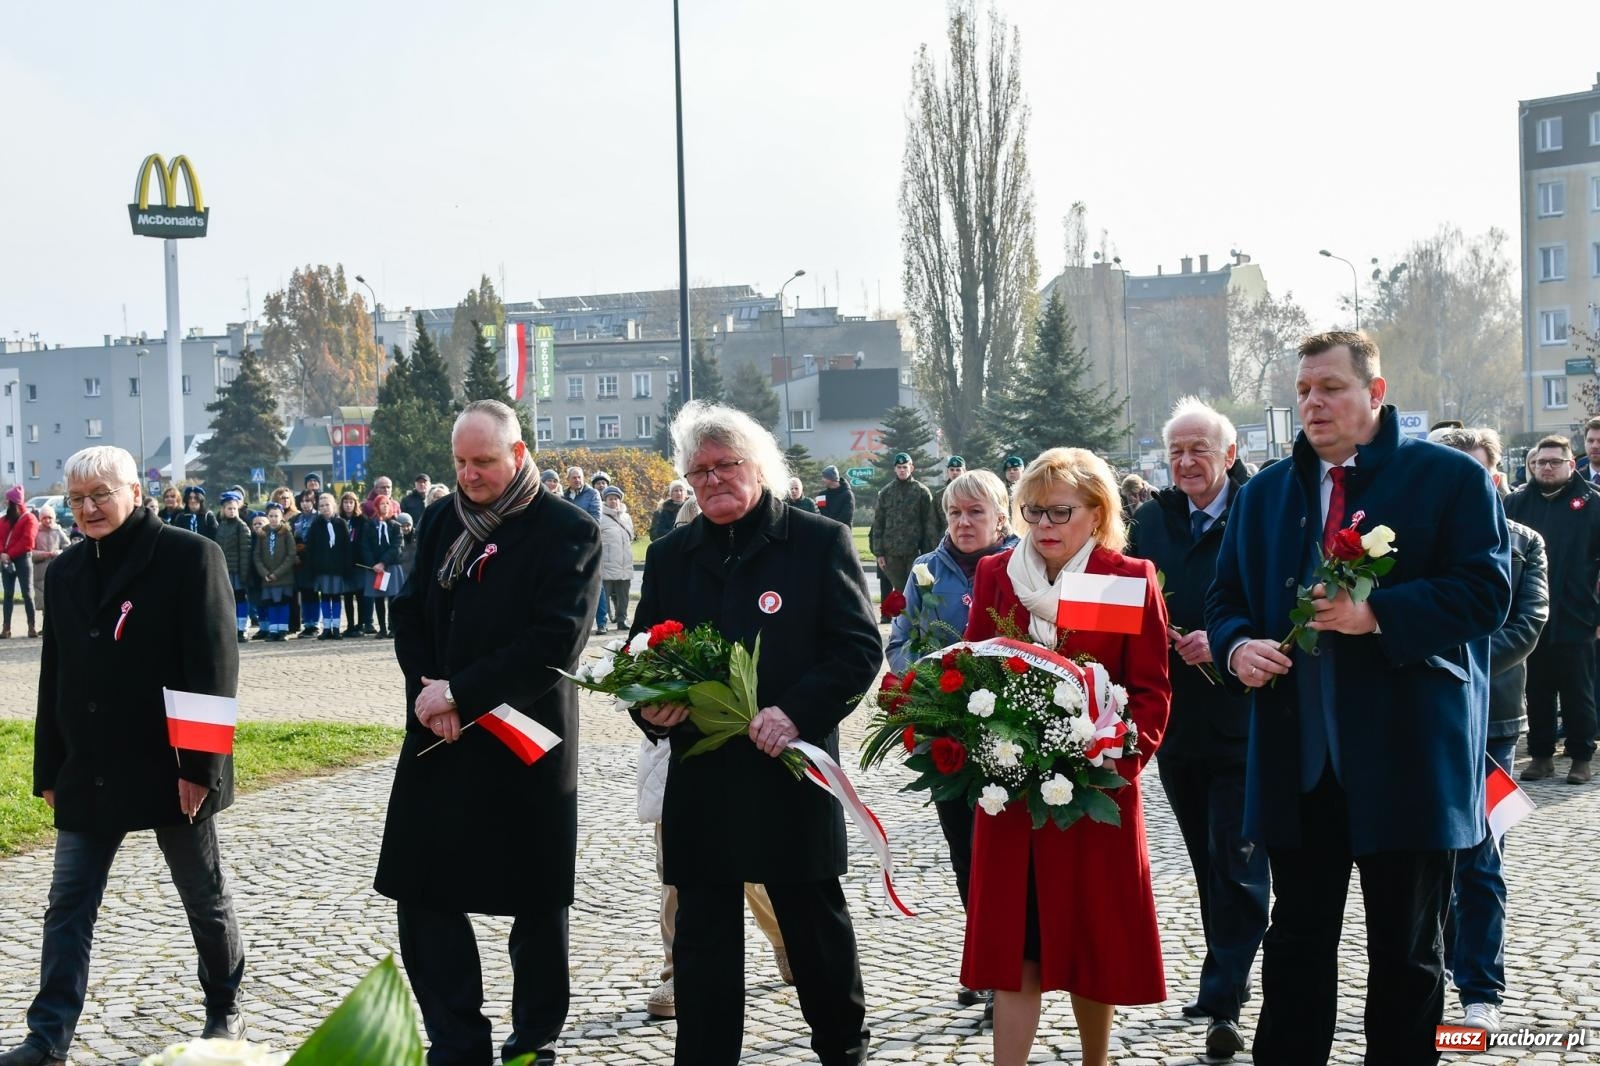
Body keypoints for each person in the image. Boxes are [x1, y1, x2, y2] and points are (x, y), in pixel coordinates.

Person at [1205, 331, 1511, 1065]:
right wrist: (1238, 647)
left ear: (1375, 393)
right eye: (1304, 390)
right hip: (1299, 763)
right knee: (1296, 946)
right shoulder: (1265, 494)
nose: (1313, 403)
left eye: (1331, 388)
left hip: (1408, 760)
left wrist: (1378, 614)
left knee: (1406, 954)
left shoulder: (1447, 480)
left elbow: (1487, 592)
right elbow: (1225, 600)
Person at [632, 401, 881, 1066]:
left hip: (790, 770)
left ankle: (843, 1052)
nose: (712, 479)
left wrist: (795, 711)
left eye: (726, 464)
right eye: (698, 471)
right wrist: (650, 709)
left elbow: (858, 650)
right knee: (704, 941)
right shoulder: (671, 555)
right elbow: (641, 655)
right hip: (704, 778)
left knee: (814, 931)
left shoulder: (817, 541)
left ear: (759, 466)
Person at [0, 446, 243, 1066]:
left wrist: (200, 769)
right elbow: (55, 676)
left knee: (203, 894)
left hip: (172, 763)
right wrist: (50, 767)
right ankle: (47, 1036)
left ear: (135, 492)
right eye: (77, 499)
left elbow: (213, 666)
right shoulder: (66, 571)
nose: (88, 509)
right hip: (90, 765)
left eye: (101, 495)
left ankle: (224, 1008)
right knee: (68, 903)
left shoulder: (191, 557)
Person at [376, 400, 600, 1066]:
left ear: (519, 454)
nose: (469, 475)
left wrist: (462, 693)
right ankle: (457, 1040)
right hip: (438, 731)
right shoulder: (442, 517)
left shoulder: (569, 530)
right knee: (422, 887)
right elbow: (409, 612)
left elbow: (555, 641)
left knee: (535, 897)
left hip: (524, 736)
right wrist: (431, 693)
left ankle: (534, 1040)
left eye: (483, 461)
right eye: (460, 462)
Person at [959, 448, 1171, 1066]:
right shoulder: (998, 574)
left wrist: (1110, 764)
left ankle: (1095, 1061)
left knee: (1090, 943)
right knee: (1014, 947)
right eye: (1032, 511)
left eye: (1060, 511)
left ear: (1097, 512)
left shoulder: (1124, 577)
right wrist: (984, 747)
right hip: (1011, 798)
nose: (1044, 525)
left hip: (1092, 796)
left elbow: (1150, 692)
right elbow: (971, 670)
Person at [1126, 398, 1264, 1060]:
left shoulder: (1259, 510)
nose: (1185, 462)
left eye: (1199, 450)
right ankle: (1228, 971)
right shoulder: (1150, 521)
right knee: (1208, 863)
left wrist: (1229, 641)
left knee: (1238, 862)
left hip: (1247, 719)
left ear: (1229, 455)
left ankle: (1223, 999)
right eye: (1176, 451)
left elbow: (1287, 597)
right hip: (1175, 722)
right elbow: (1126, 598)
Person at [639, 491, 793, 1021]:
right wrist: (651, 703)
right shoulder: (669, 568)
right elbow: (642, 654)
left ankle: (786, 940)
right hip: (678, 755)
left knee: (756, 872)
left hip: (747, 751)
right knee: (677, 871)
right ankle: (677, 971)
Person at [884, 469, 1017, 1012]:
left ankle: (1015, 968)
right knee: (966, 854)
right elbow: (899, 643)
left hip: (1009, 733)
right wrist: (931, 677)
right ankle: (984, 962)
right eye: (955, 513)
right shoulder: (925, 570)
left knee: (1004, 856)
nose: (963, 522)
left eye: (975, 512)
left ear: (1001, 518)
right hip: (945, 734)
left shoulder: (1024, 564)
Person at [1434, 426, 1548, 1035]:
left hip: (1490, 720)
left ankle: (1479, 988)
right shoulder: (1409, 540)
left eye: (1473, 473)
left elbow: (1527, 625)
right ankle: (1429, 975)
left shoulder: (1524, 541)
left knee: (1479, 859)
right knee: (1423, 860)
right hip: (1421, 719)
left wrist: (1453, 665)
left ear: (1495, 476)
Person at [1504, 433, 1600, 785]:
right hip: (1529, 615)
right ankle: (1541, 755)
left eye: (1554, 462)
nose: (1546, 467)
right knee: (1536, 691)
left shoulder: (1593, 503)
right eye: (1540, 462)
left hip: (1578, 613)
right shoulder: (1516, 503)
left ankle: (1580, 757)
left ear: (1571, 464)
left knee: (1578, 692)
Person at [870, 451, 939, 621]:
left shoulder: (921, 492)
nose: (902, 470)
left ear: (911, 468)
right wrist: (879, 552)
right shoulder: (886, 492)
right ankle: (904, 624)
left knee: (917, 589)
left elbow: (929, 524)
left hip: (915, 551)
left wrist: (930, 552)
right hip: (892, 552)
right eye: (899, 467)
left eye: (905, 467)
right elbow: (878, 523)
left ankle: (919, 623)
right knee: (900, 591)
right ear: (895, 469)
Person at [305, 493, 352, 641]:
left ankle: (336, 628)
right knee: (325, 597)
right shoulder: (316, 525)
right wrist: (312, 568)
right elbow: (310, 548)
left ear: (333, 506)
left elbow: (347, 547)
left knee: (336, 597)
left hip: (337, 568)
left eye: (327, 505)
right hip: (322, 568)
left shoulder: (341, 523)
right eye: (322, 506)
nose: (325, 508)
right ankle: (326, 628)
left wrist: (347, 567)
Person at [213, 491, 255, 644]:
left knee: (240, 598)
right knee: (227, 600)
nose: (232, 511)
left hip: (238, 571)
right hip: (225, 570)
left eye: (234, 508)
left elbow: (245, 551)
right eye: (229, 508)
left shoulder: (241, 527)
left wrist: (244, 574)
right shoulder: (221, 526)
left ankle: (242, 628)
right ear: (223, 509)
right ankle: (230, 628)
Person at [0, 486, 40, 638]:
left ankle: (31, 626)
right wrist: (2, 553)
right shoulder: (3, 520)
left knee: (27, 593)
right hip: (7, 559)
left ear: (14, 503)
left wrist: (8, 554)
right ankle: (6, 628)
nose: (5, 502)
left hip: (23, 558)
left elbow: (27, 541)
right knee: (8, 594)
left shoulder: (30, 519)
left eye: (8, 500)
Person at [361, 494, 403, 639]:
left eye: (387, 503)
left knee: (392, 598)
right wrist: (373, 564)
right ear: (376, 506)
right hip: (375, 569)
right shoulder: (369, 525)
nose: (385, 506)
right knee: (378, 598)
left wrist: (383, 562)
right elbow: (365, 546)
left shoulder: (395, 526)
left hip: (390, 566)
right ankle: (382, 628)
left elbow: (397, 546)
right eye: (382, 504)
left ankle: (393, 627)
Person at [253, 503, 297, 641]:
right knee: (271, 603)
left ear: (281, 517)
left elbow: (291, 555)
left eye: (276, 516)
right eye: (271, 516)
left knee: (283, 603)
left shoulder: (286, 533)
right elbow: (257, 556)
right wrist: (264, 573)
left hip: (283, 577)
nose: (273, 519)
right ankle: (273, 630)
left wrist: (277, 573)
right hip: (267, 578)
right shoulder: (262, 533)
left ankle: (282, 630)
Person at [597, 485, 634, 634]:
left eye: (616, 498)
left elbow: (631, 537)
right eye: (610, 498)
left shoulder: (626, 517)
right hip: (607, 563)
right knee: (604, 596)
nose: (614, 501)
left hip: (625, 563)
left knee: (623, 595)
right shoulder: (600, 516)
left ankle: (621, 620)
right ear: (605, 500)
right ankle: (603, 622)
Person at [291, 490, 320, 637]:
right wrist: (295, 554)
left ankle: (314, 624)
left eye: (308, 501)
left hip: (313, 559)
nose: (305, 504)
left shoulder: (318, 517)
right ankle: (307, 623)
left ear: (313, 501)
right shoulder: (296, 518)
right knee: (304, 592)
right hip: (299, 561)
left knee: (313, 593)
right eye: (302, 501)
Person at [30, 507, 69, 608]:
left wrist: (58, 553)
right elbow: (30, 552)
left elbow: (68, 548)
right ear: (40, 519)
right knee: (44, 601)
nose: (47, 520)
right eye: (44, 518)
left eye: (49, 517)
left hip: (57, 568)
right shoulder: (35, 532)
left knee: (58, 600)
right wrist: (45, 554)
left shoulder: (58, 531)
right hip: (40, 571)